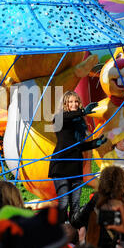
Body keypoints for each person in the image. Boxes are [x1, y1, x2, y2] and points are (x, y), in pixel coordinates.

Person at [48, 91, 106, 223]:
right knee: (63, 203)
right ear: (65, 104)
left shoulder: (80, 123)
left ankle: (75, 235)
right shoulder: (59, 118)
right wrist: (83, 112)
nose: (74, 104)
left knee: (75, 205)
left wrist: (93, 144)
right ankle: (60, 234)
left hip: (76, 167)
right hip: (61, 167)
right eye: (70, 102)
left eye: (76, 102)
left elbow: (78, 146)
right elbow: (64, 126)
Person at [70, 166, 124, 248]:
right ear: (122, 182)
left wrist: (80, 210)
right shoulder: (123, 199)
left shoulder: (97, 198)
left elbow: (76, 221)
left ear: (102, 181)